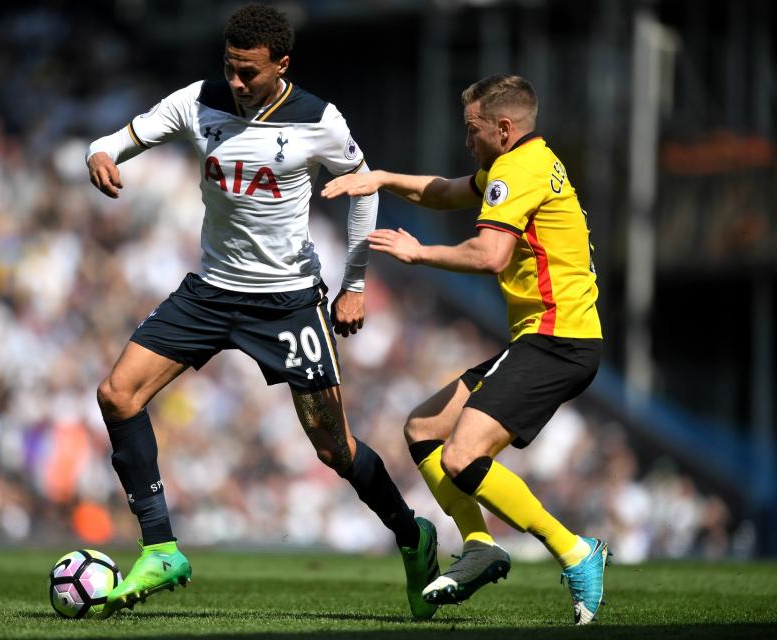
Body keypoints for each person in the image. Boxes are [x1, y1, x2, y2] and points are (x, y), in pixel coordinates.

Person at [85, 3, 440, 620]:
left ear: (282, 65)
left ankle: (413, 537)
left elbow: (363, 192)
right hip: (212, 292)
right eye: (231, 68)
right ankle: (161, 547)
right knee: (118, 395)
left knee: (333, 449)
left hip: (288, 303)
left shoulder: (319, 120)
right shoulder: (199, 101)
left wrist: (353, 284)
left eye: (250, 71)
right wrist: (102, 153)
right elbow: (120, 136)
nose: (238, 82)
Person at [322, 74, 608, 625]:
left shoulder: (518, 169)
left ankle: (575, 551)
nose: (466, 140)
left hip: (558, 338)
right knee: (423, 429)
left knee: (460, 455)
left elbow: (490, 255)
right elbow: (448, 190)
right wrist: (378, 178)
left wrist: (418, 253)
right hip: (551, 335)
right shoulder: (523, 160)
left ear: (503, 128)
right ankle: (480, 545)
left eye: (472, 130)